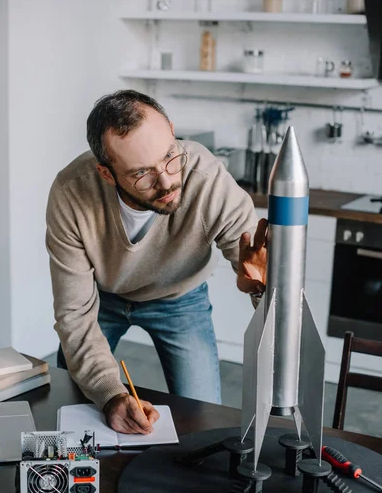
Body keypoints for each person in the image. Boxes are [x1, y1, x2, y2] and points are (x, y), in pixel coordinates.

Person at [46, 89, 267, 435]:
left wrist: (263, 290)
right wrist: (110, 395)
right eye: (141, 174)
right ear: (107, 173)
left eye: (169, 156)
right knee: (75, 407)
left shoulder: (206, 179)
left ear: (172, 132)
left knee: (202, 420)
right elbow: (74, 314)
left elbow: (259, 265)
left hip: (180, 300)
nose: (167, 181)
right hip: (101, 299)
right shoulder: (72, 193)